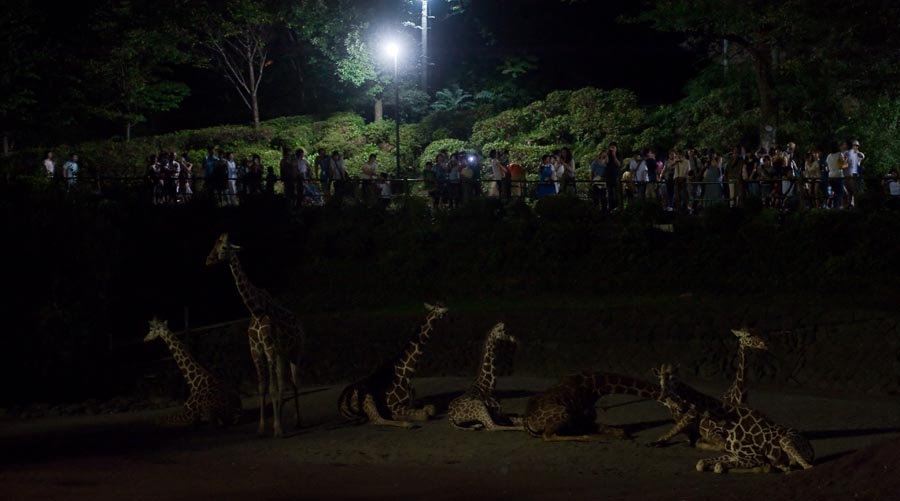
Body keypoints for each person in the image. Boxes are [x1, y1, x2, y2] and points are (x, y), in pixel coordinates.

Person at [825, 142, 848, 209]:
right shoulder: (839, 154)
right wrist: (846, 160)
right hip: (838, 176)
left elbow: (828, 167)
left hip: (831, 176)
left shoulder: (828, 156)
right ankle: (836, 207)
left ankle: (836, 206)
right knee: (840, 193)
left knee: (837, 192)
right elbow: (842, 165)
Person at [845, 139, 865, 206]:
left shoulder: (858, 153)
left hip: (855, 176)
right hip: (847, 175)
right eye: (854, 145)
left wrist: (856, 152)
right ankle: (849, 205)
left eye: (857, 145)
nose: (856, 146)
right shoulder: (847, 153)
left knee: (855, 191)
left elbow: (862, 156)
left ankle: (854, 205)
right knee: (849, 192)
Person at [605, 142, 621, 210]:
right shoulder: (607, 155)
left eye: (613, 147)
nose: (612, 149)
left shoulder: (618, 155)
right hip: (608, 177)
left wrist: (614, 155)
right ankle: (610, 207)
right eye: (611, 147)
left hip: (616, 176)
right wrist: (607, 154)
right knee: (609, 193)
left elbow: (618, 164)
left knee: (616, 193)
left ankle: (617, 207)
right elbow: (605, 163)